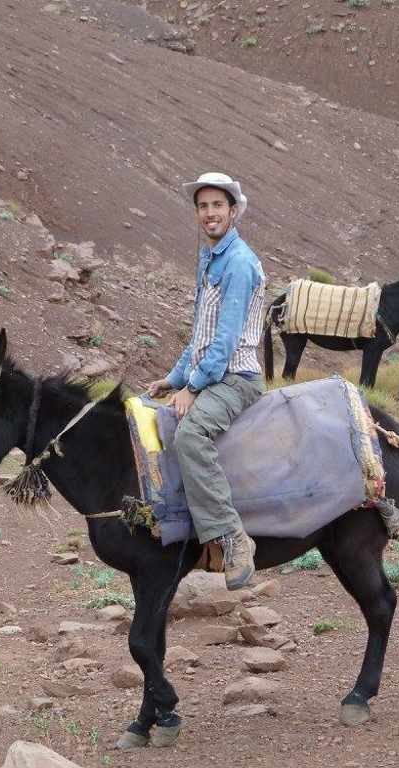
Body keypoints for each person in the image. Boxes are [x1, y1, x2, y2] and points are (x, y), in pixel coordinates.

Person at [147, 172, 267, 590]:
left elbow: (227, 339)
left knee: (191, 436)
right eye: (203, 206)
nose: (209, 213)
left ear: (234, 211)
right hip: (214, 373)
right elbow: (201, 333)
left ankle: (234, 540)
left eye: (218, 205)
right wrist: (174, 377)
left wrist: (193, 387)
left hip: (237, 378)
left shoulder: (237, 262)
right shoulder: (209, 256)